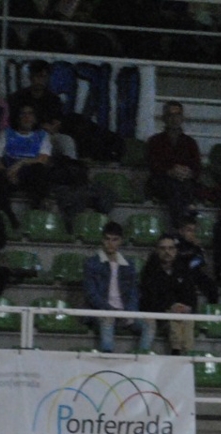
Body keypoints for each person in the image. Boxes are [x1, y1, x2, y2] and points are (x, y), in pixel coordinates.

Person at [82, 221, 150, 353]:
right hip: (102, 311)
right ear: (102, 240)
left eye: (114, 240)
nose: (110, 243)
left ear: (120, 241)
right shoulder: (91, 263)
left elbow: (133, 293)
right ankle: (108, 356)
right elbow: (91, 294)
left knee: (149, 323)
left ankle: (143, 356)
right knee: (107, 319)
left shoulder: (129, 265)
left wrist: (129, 312)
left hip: (125, 312)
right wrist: (110, 310)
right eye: (107, 239)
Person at [0, 103, 51, 226]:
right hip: (9, 173)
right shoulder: (6, 133)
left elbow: (43, 159)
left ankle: (35, 213)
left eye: (30, 114)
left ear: (35, 118)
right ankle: (9, 217)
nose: (26, 117)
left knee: (39, 170)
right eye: (23, 113)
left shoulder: (42, 135)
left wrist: (21, 163)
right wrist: (7, 173)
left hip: (29, 174)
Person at [139, 234, 200, 355]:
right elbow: (149, 299)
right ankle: (177, 352)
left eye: (170, 248)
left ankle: (187, 354)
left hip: (180, 313)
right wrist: (170, 307)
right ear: (157, 250)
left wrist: (186, 307)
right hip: (160, 315)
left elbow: (191, 295)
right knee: (175, 320)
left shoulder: (184, 270)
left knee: (187, 319)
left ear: (176, 250)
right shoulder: (149, 272)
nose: (167, 252)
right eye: (163, 248)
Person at [146, 102, 203, 227]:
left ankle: (180, 225)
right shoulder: (155, 141)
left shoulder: (190, 142)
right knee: (176, 186)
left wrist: (188, 172)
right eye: (170, 115)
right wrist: (170, 171)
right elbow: (152, 164)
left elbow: (197, 167)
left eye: (177, 115)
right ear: (164, 118)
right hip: (161, 182)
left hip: (184, 183)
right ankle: (185, 220)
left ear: (182, 118)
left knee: (180, 186)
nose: (174, 119)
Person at [6, 61, 64, 129]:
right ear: (31, 77)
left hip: (48, 134)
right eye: (38, 76)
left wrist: (56, 124)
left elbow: (58, 118)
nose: (41, 80)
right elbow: (14, 120)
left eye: (44, 77)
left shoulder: (54, 99)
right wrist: (41, 126)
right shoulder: (18, 97)